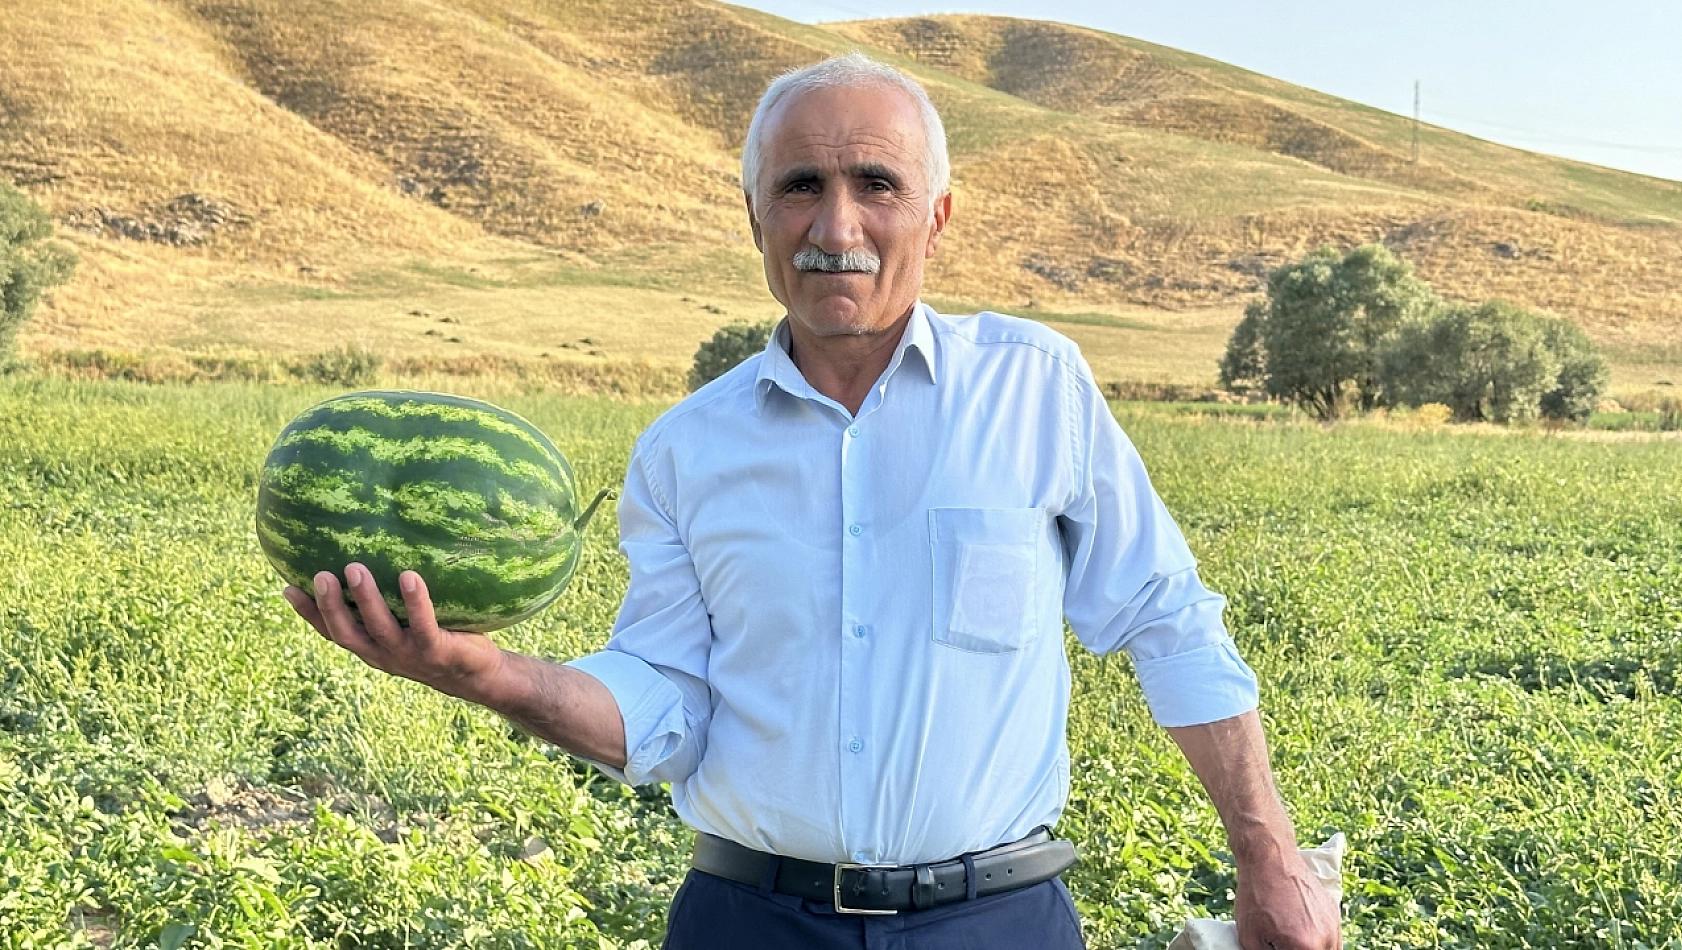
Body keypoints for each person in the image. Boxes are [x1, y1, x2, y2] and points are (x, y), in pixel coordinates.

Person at [284, 52, 1341, 950]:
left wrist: (1269, 854)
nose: (835, 224)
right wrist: (484, 671)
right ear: (753, 215)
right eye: (798, 186)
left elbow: (1162, 616)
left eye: (874, 183)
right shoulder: (684, 449)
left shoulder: (1034, 388)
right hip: (748, 916)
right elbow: (664, 704)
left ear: (937, 215)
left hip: (997, 918)